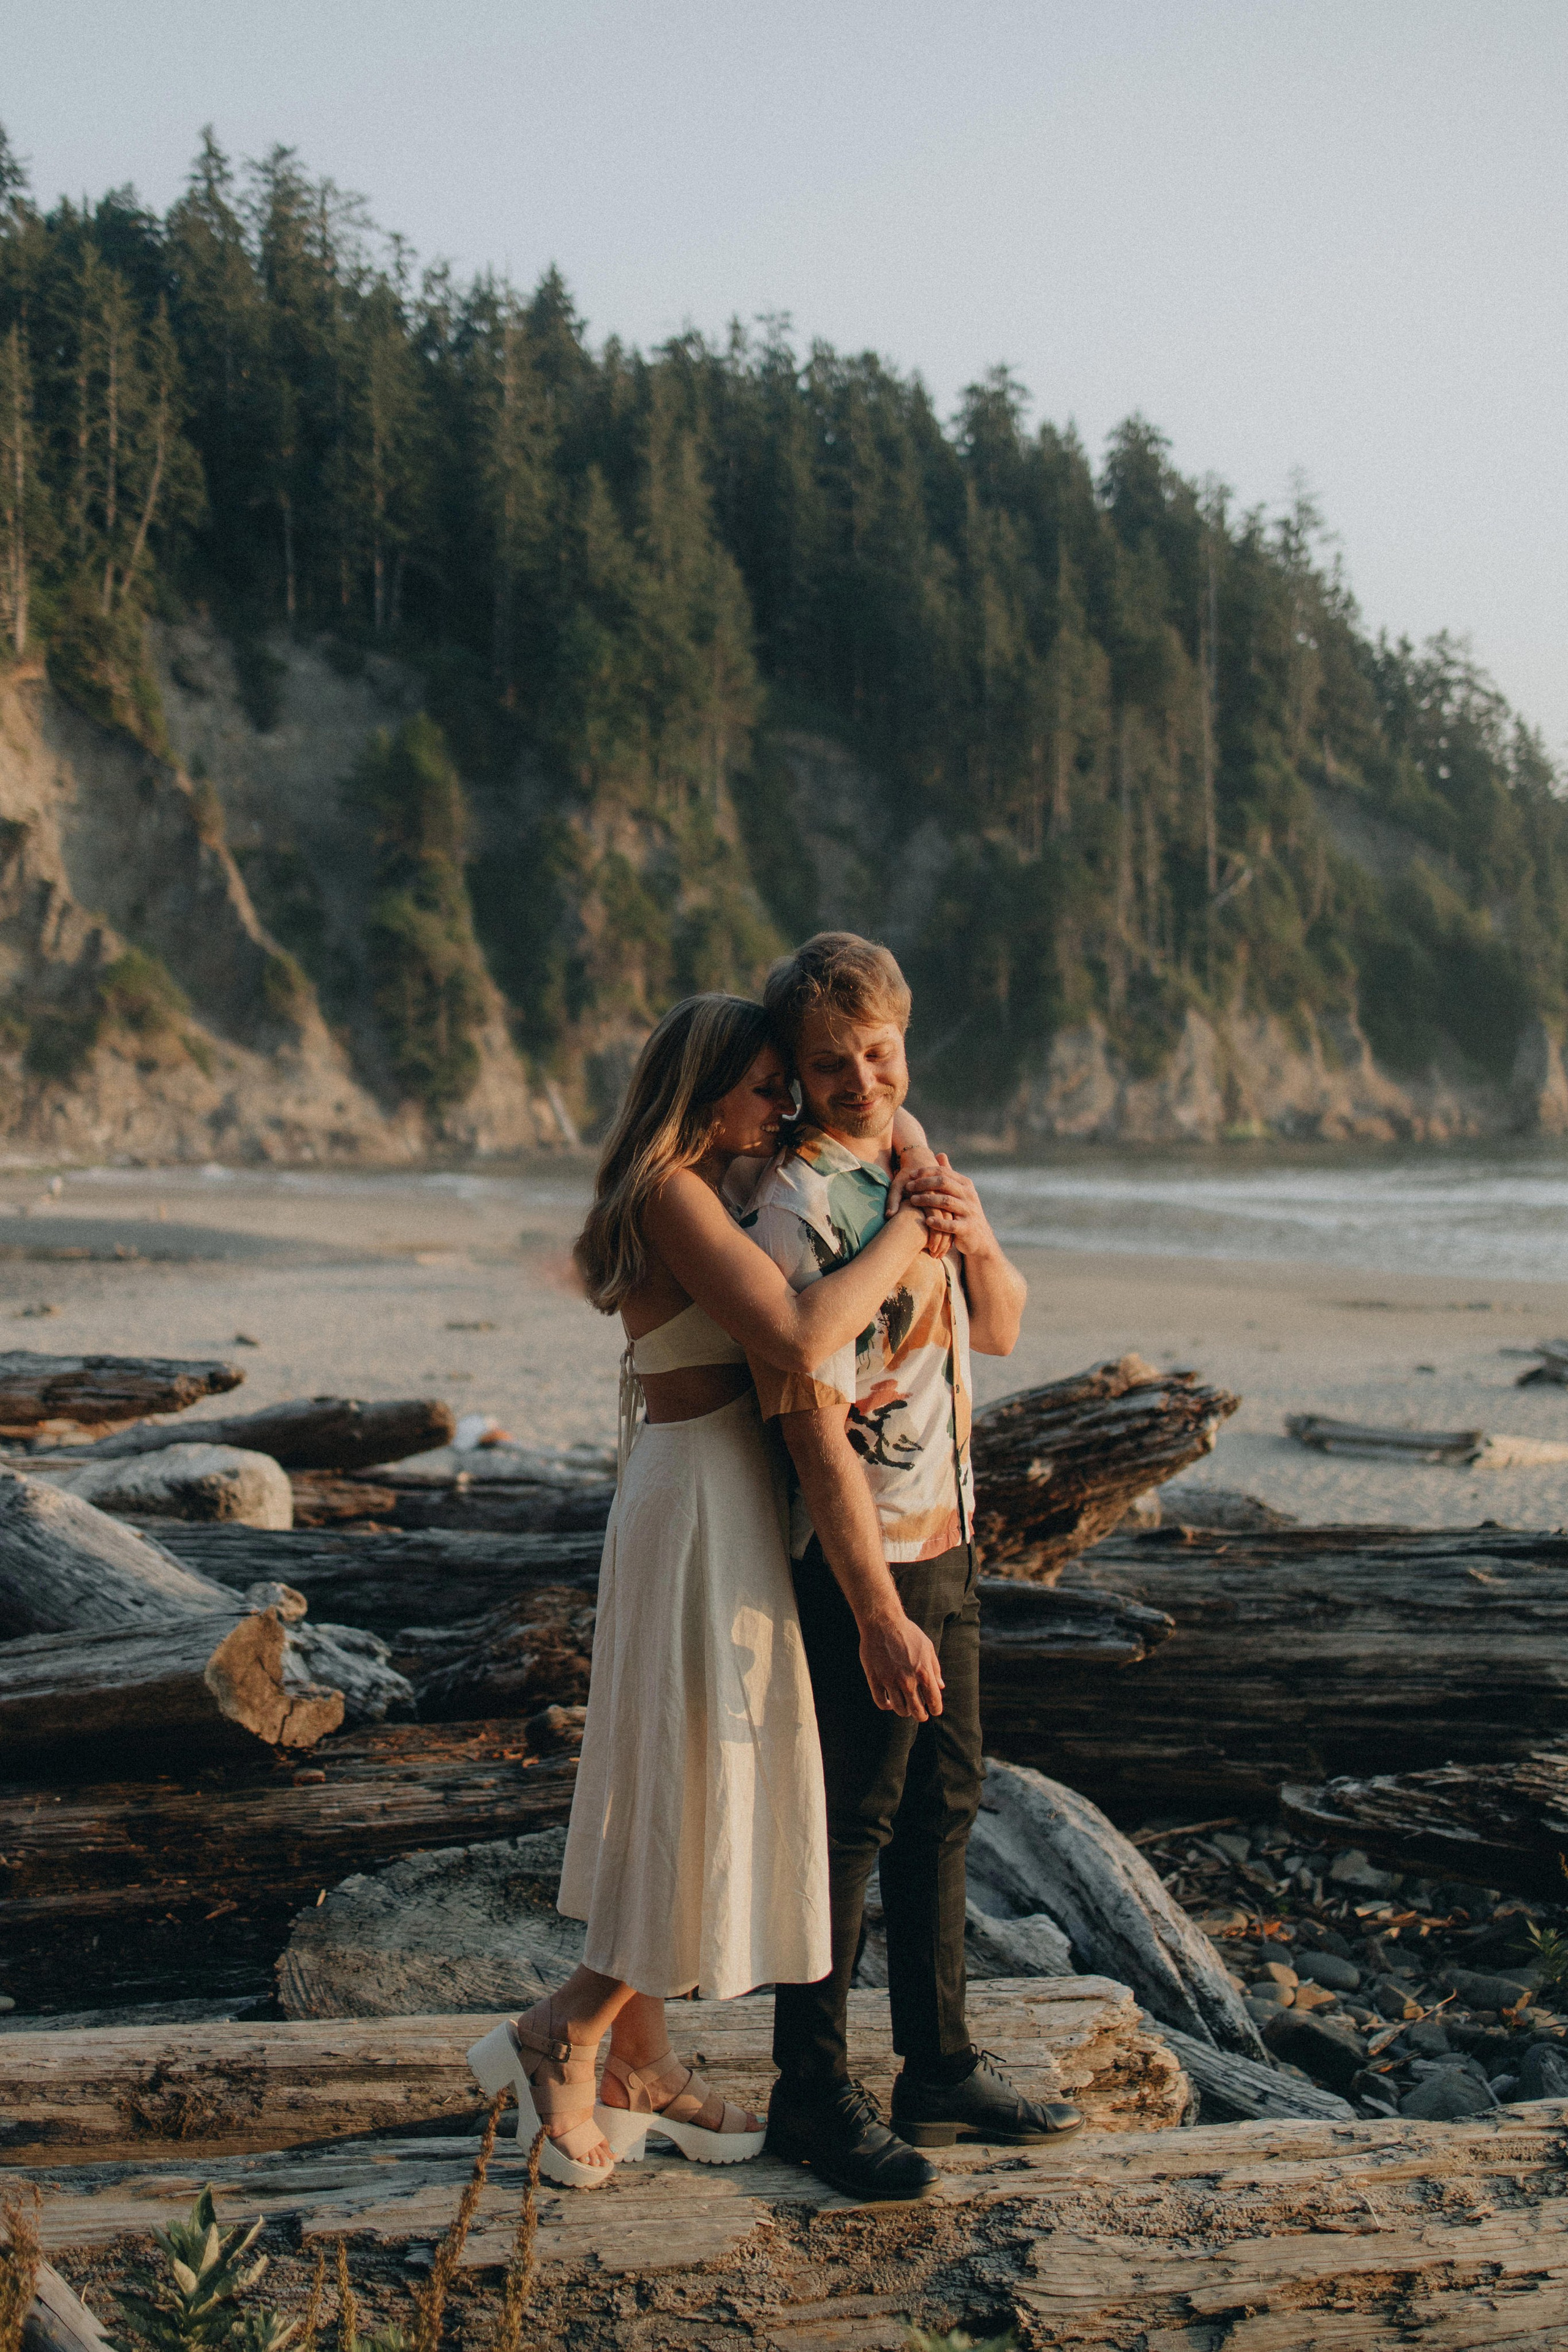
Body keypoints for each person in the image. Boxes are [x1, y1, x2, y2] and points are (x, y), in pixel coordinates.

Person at [467, 992, 949, 2189]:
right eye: (762, 1086)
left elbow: (864, 1143)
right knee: (702, 1784)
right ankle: (562, 2031)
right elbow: (795, 1336)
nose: (782, 1106)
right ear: (702, 1091)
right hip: (697, 1513)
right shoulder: (670, 1192)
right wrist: (913, 1234)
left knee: (674, 1777)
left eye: (789, 1085)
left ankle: (643, 2061)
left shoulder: (719, 1188)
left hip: (713, 1503)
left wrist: (902, 1160)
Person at [743, 932, 1084, 2203]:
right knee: (849, 1825)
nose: (859, 1079)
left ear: (901, 1037)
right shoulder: (793, 1211)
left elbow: (993, 1324)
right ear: (795, 1069)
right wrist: (876, 1612)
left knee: (943, 1807)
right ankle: (809, 2093)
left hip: (946, 1533)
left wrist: (968, 1222)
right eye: (829, 1064)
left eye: (876, 1052)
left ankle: (937, 2066)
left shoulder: (908, 1153)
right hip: (861, 1559)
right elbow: (808, 1433)